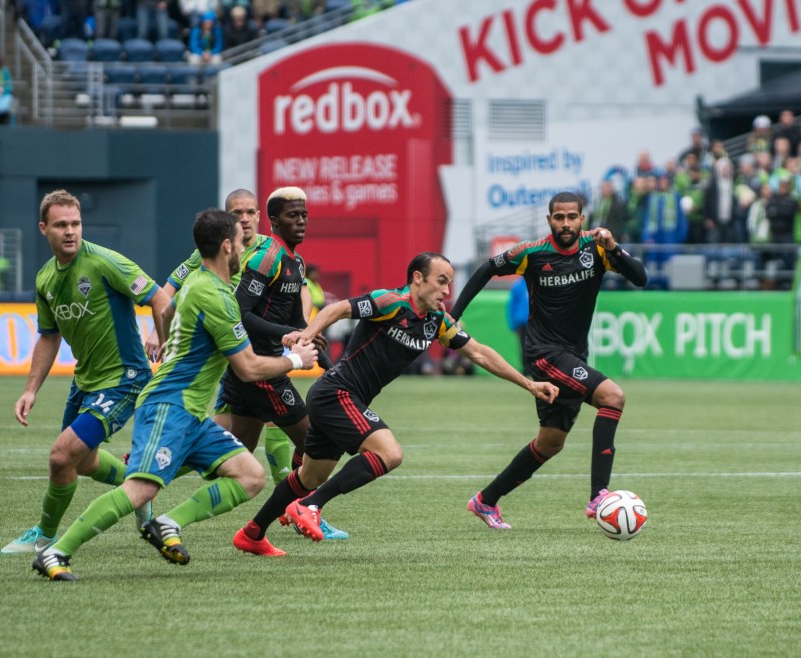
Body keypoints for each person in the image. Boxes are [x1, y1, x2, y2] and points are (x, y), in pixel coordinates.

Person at [32, 209, 320, 580]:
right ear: (227, 246)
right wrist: (296, 359)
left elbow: (166, 310)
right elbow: (247, 368)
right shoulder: (216, 296)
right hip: (170, 406)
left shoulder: (198, 283)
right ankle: (56, 551)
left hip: (193, 413)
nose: (244, 253)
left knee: (249, 475)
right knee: (140, 490)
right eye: (241, 244)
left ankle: (167, 524)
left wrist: (170, 342)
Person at [232, 252, 559, 554]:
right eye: (441, 281)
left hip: (343, 398)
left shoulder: (437, 321)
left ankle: (252, 533)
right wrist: (306, 335)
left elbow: (479, 353)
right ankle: (310, 505)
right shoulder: (390, 301)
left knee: (308, 477)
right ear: (418, 278)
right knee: (389, 453)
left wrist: (528, 383)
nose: (446, 291)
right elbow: (338, 309)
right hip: (336, 392)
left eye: (449, 283)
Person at [448, 191, 648, 529]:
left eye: (572, 217)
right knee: (613, 396)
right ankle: (600, 495)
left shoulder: (597, 248)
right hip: (544, 356)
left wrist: (613, 246)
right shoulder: (532, 253)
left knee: (550, 443)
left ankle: (485, 500)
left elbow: (640, 278)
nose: (566, 223)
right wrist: (454, 315)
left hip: (572, 355)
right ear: (549, 220)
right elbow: (486, 269)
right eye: (559, 217)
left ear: (582, 219)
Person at [2, 190, 172, 554]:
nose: (70, 231)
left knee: (61, 456)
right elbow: (48, 337)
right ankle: (137, 490)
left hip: (124, 380)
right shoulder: (46, 278)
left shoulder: (104, 262)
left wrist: (163, 339)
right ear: (43, 228)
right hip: (86, 382)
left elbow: (161, 298)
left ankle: (45, 537)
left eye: (75, 223)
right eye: (61, 224)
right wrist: (31, 390)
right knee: (82, 462)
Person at [221, 186, 347, 541]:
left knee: (233, 455)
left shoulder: (296, 262)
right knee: (316, 442)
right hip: (261, 369)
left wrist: (324, 359)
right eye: (293, 216)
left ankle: (153, 474)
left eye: (305, 215)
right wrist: (288, 335)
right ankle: (304, 511)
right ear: (274, 222)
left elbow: (298, 326)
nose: (302, 222)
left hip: (265, 367)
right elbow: (241, 315)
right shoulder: (267, 259)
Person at [588, 179, 627, 244]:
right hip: (594, 232)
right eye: (604, 186)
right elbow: (591, 216)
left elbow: (619, 221)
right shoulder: (596, 201)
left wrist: (614, 235)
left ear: (612, 188)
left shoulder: (618, 203)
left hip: (609, 234)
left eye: (608, 186)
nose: (606, 189)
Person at [506, 275, 528, 369]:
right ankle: (526, 370)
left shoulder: (538, 281)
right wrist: (513, 324)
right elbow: (512, 305)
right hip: (523, 322)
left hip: (538, 322)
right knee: (524, 347)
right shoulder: (518, 285)